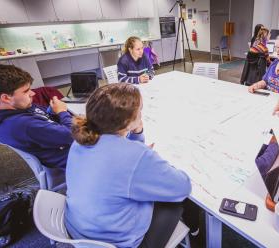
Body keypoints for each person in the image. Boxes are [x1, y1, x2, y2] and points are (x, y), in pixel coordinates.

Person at [64, 83, 193, 247]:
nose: (141, 113)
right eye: (139, 110)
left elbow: (123, 153)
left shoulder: (82, 139)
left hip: (78, 231)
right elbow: (182, 187)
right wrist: (154, 161)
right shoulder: (136, 156)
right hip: (117, 242)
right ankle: (195, 231)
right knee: (175, 202)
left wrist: (137, 131)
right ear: (126, 121)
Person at [0, 64, 73, 169]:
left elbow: (42, 114)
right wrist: (62, 112)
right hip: (73, 158)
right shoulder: (23, 125)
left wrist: (52, 111)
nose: (33, 93)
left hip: (65, 142)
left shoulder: (17, 108)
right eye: (26, 91)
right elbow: (73, 135)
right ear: (6, 98)